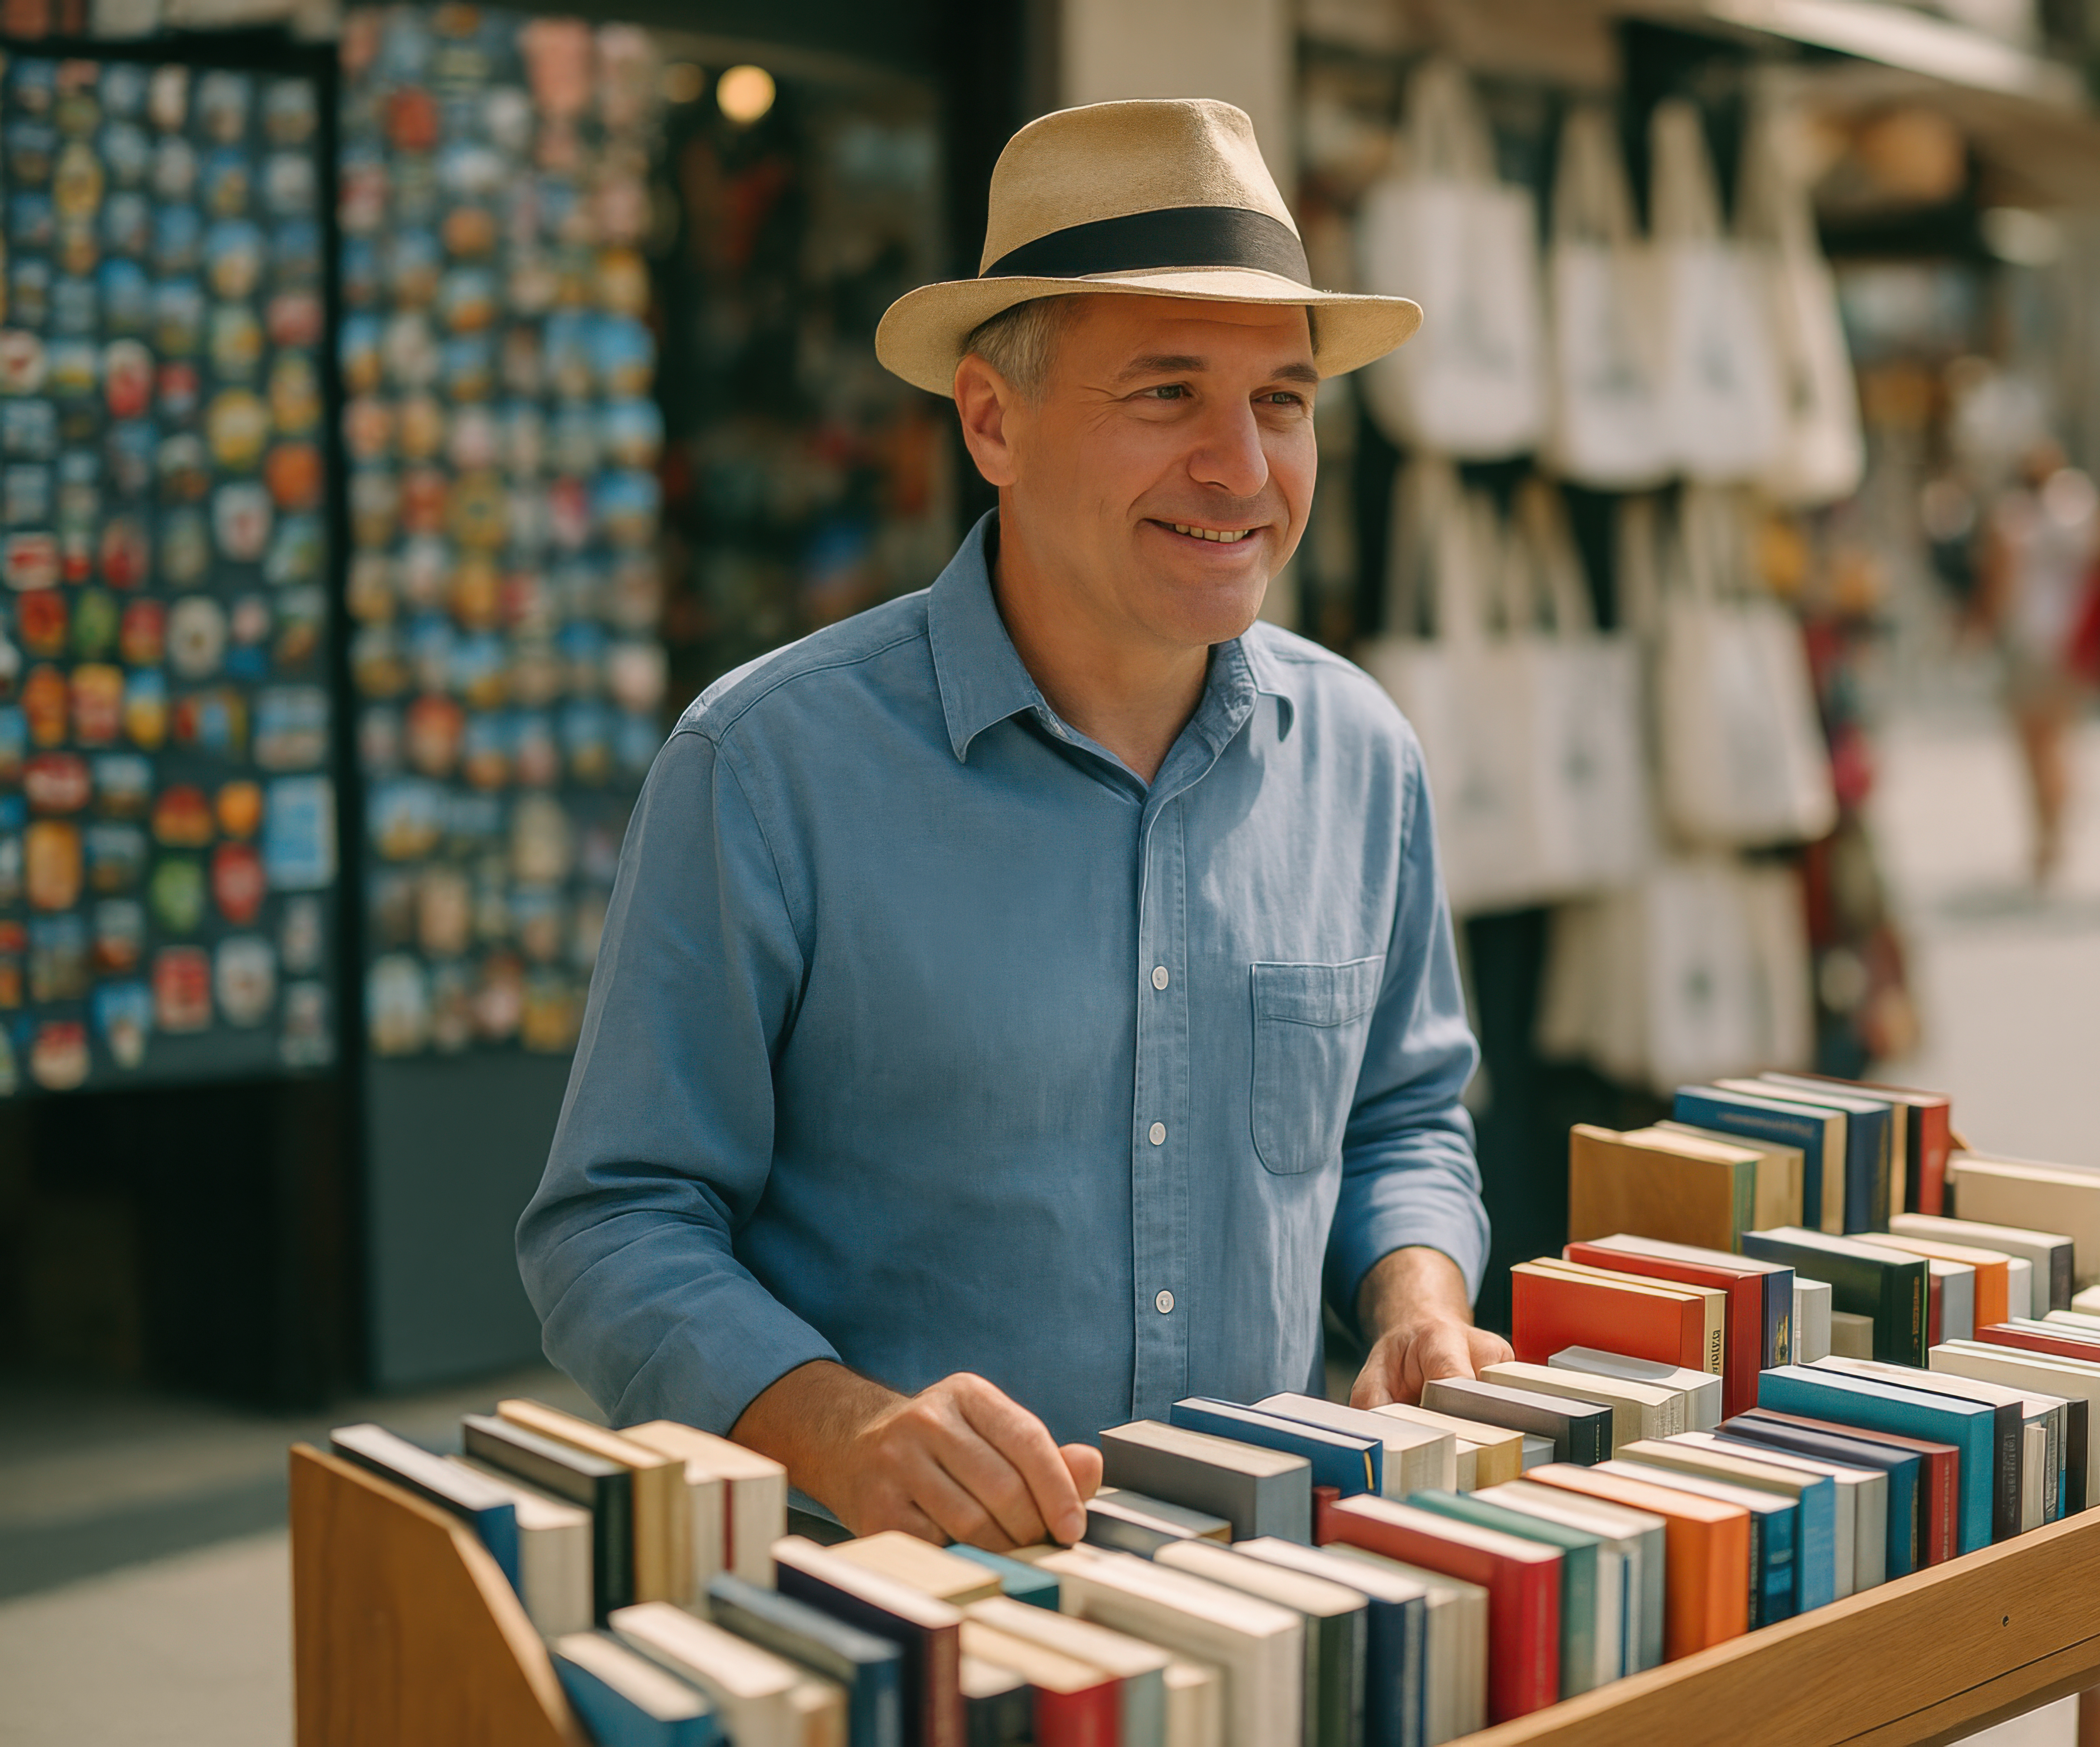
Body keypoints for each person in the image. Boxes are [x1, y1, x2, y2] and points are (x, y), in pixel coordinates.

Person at [516, 99, 1509, 1551]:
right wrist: (840, 1426)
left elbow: (1404, 1118)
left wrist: (1417, 1298)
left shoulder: (1361, 751)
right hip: (888, 1612)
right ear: (992, 419)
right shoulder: (767, 766)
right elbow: (612, 1226)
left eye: (1281, 400)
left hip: (1271, 1596)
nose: (1241, 468)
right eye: (1166, 393)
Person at [1975, 438, 2100, 890]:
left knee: (2034, 747)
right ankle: (2061, 828)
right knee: (2062, 740)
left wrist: (1983, 628)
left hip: (2028, 640)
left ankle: (2046, 840)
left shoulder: (2014, 519)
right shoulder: (2080, 511)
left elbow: (2000, 582)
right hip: (2072, 640)